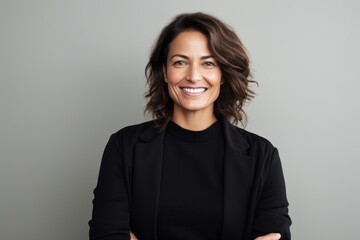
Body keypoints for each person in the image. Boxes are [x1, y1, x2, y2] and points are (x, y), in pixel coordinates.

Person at [89, 12, 291, 240]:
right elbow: (106, 234)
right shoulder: (124, 147)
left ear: (222, 74)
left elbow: (275, 237)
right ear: (165, 71)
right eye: (180, 62)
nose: (194, 76)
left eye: (208, 63)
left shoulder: (261, 156)